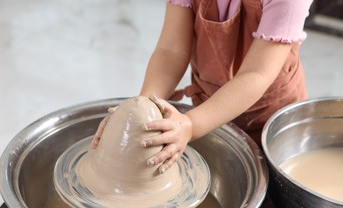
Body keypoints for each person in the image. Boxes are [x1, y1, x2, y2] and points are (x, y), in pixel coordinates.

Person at [92, 0, 314, 174]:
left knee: (266, 201)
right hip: (207, 107)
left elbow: (256, 74)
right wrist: (141, 110)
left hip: (268, 117)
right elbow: (171, 51)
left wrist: (191, 123)